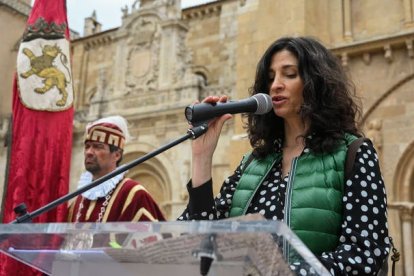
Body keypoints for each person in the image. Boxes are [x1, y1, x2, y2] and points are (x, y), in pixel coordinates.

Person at [178, 37, 390, 275]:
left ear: (315, 82)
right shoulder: (253, 163)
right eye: (270, 78)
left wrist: (283, 272)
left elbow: (365, 253)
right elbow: (199, 243)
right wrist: (202, 157)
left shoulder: (353, 153)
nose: (276, 85)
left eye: (289, 74)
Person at [68, 115, 165, 223]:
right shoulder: (77, 201)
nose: (89, 152)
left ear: (117, 155)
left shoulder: (135, 195)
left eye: (97, 146)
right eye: (87, 146)